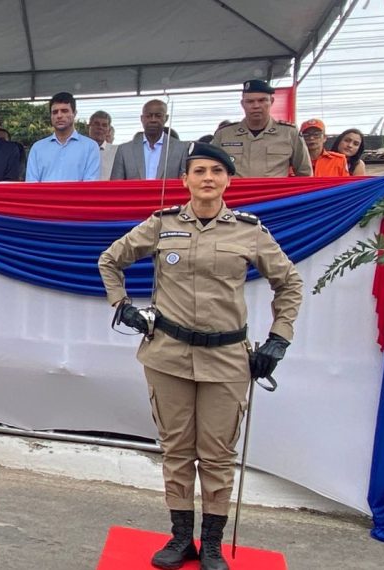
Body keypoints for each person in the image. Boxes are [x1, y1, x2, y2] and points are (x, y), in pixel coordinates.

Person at [98, 142, 302, 570]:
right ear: (185, 180)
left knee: (217, 454)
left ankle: (211, 543)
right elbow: (110, 260)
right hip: (167, 355)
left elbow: (289, 283)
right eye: (199, 171)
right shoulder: (162, 224)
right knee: (176, 450)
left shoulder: (248, 231)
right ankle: (179, 538)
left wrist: (278, 339)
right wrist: (122, 305)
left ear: (229, 180)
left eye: (216, 171)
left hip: (226, 359)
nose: (208, 178)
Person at [212, 80, 311, 177]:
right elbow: (211, 169)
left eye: (262, 100)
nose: (256, 106)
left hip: (275, 188)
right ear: (242, 104)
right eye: (250, 101)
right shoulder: (224, 135)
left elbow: (304, 173)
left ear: (271, 101)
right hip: (235, 188)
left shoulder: (289, 133)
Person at [25, 92, 100, 182]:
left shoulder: (90, 147)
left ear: (74, 113)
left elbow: (90, 185)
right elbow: (31, 185)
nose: (59, 116)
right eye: (55, 112)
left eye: (64, 111)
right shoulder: (37, 148)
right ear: (51, 116)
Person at [111, 99, 189, 180]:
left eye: (158, 116)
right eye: (148, 116)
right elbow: (116, 184)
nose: (153, 120)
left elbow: (185, 182)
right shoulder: (124, 150)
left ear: (166, 118)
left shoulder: (181, 148)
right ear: (142, 119)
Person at [88, 110, 117, 181]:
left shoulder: (117, 152)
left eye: (104, 125)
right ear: (89, 126)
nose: (100, 128)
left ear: (108, 130)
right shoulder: (79, 150)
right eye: (97, 124)